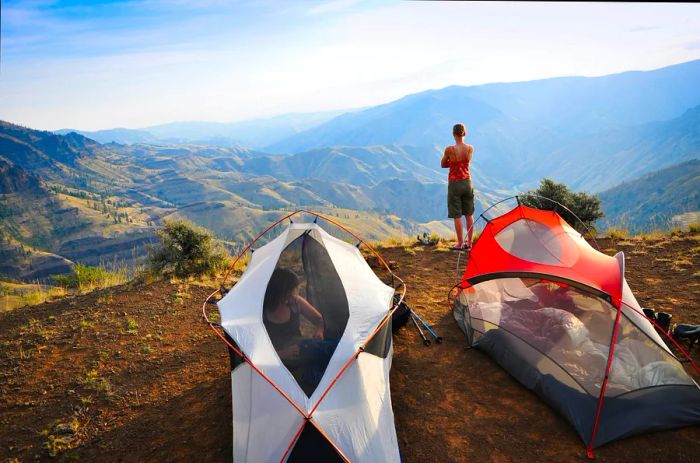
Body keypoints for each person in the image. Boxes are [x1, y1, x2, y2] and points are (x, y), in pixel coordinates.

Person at [263, 267, 325, 362]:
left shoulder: (295, 302)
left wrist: (319, 331)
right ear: (279, 292)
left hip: (297, 351)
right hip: (271, 360)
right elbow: (253, 347)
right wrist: (281, 354)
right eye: (290, 291)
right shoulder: (262, 309)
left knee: (326, 349)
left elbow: (319, 320)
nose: (293, 294)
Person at [441, 123, 474, 250]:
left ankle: (460, 243)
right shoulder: (470, 148)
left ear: (453, 134)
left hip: (455, 183)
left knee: (457, 215)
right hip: (467, 182)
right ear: (464, 133)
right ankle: (469, 243)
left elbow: (443, 164)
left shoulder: (449, 149)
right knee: (469, 214)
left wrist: (452, 163)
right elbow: (466, 162)